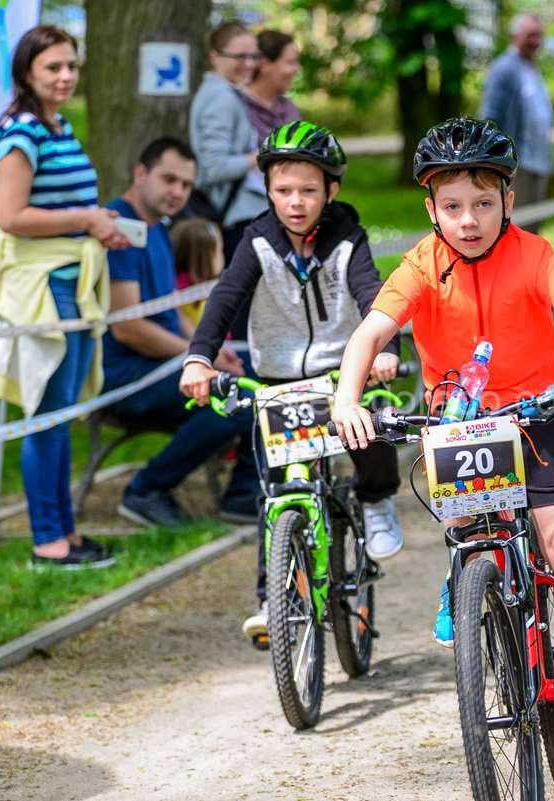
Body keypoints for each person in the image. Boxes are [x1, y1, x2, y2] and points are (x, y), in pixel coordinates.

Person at [329, 117, 554, 766]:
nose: (468, 220)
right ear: (431, 210)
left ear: (508, 202)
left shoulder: (534, 254)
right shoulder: (421, 263)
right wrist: (346, 400)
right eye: (452, 207)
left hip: (536, 415)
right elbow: (370, 333)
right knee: (472, 533)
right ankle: (464, 575)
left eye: (483, 204)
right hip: (458, 422)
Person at [179, 121, 405, 645]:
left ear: (332, 190)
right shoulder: (256, 240)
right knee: (277, 492)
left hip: (342, 371)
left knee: (370, 426)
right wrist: (198, 359)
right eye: (283, 190)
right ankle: (272, 599)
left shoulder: (348, 238)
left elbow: (371, 294)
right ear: (268, 190)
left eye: (308, 190)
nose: (295, 202)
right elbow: (225, 298)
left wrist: (385, 350)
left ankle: (376, 499)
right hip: (277, 379)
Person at [0, 25, 125, 571]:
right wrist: (86, 220)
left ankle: (65, 533)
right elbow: (10, 217)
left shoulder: (57, 125)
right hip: (42, 286)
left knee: (63, 413)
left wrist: (96, 224)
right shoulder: (21, 132)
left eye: (71, 66)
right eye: (53, 67)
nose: (65, 76)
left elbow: (59, 208)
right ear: (27, 72)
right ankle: (48, 541)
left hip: (71, 278)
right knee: (46, 414)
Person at [101, 138, 259, 528]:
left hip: (164, 364)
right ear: (140, 173)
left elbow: (171, 307)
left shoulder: (158, 228)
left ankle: (244, 494)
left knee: (267, 371)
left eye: (186, 184)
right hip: (127, 376)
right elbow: (128, 328)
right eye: (168, 179)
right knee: (236, 395)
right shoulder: (119, 229)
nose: (177, 192)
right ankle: (146, 490)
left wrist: (208, 350)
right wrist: (197, 359)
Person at [189, 21, 266, 263]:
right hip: (234, 221)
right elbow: (213, 167)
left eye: (254, 56)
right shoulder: (220, 98)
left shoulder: (227, 93)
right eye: (240, 57)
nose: (249, 64)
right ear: (215, 57)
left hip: (239, 217)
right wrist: (262, 156)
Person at [478, 14, 554, 207]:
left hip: (538, 161)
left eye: (539, 35)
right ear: (515, 36)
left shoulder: (531, 67)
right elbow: (490, 116)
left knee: (535, 220)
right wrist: (500, 159)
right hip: (517, 163)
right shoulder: (504, 68)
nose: (536, 41)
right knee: (517, 218)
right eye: (530, 35)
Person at [241, 30, 303, 143]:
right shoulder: (237, 107)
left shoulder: (289, 109)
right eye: (291, 62)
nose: (297, 69)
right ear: (265, 65)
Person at [171, 218, 224, 329]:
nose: (222, 257)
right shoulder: (185, 289)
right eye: (219, 251)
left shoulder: (173, 281)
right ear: (205, 258)